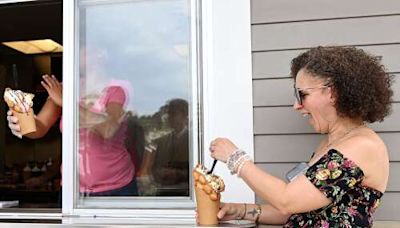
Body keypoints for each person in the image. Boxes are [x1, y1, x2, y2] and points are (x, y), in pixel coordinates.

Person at [208, 46, 393, 227]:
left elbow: (288, 200)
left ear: (332, 93)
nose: (296, 105)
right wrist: (238, 211)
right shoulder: (330, 144)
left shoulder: (362, 146)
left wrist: (235, 158)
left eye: (301, 94)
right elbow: (297, 211)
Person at [7, 75, 139, 197]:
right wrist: (21, 118)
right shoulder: (63, 88)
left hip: (117, 187)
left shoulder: (115, 89)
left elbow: (109, 129)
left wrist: (66, 102)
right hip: (73, 191)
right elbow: (39, 128)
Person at [139, 98, 189, 196]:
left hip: (186, 194)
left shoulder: (194, 141)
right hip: (163, 192)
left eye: (173, 114)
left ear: (184, 115)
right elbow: (153, 168)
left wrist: (177, 173)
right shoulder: (161, 141)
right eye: (168, 113)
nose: (169, 117)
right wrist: (158, 172)